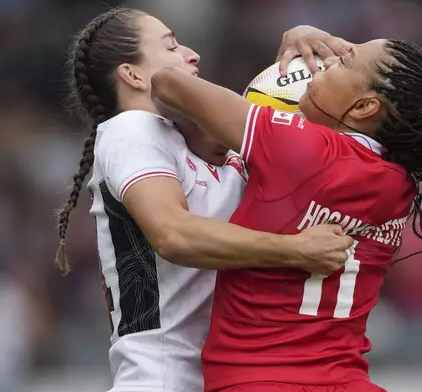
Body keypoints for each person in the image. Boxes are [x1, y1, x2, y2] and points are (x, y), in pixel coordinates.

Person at [151, 38, 422, 391]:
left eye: (343, 60)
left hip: (260, 380)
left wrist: (279, 83)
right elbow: (372, 92)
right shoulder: (400, 181)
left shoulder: (297, 148)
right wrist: (315, 44)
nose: (328, 59)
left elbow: (170, 84)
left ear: (366, 107)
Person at [55, 8, 354, 392]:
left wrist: (297, 48)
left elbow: (268, 114)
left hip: (225, 377)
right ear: (132, 75)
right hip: (162, 379)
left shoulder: (193, 141)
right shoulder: (130, 130)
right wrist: (295, 250)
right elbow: (173, 234)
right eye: (172, 46)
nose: (192, 54)